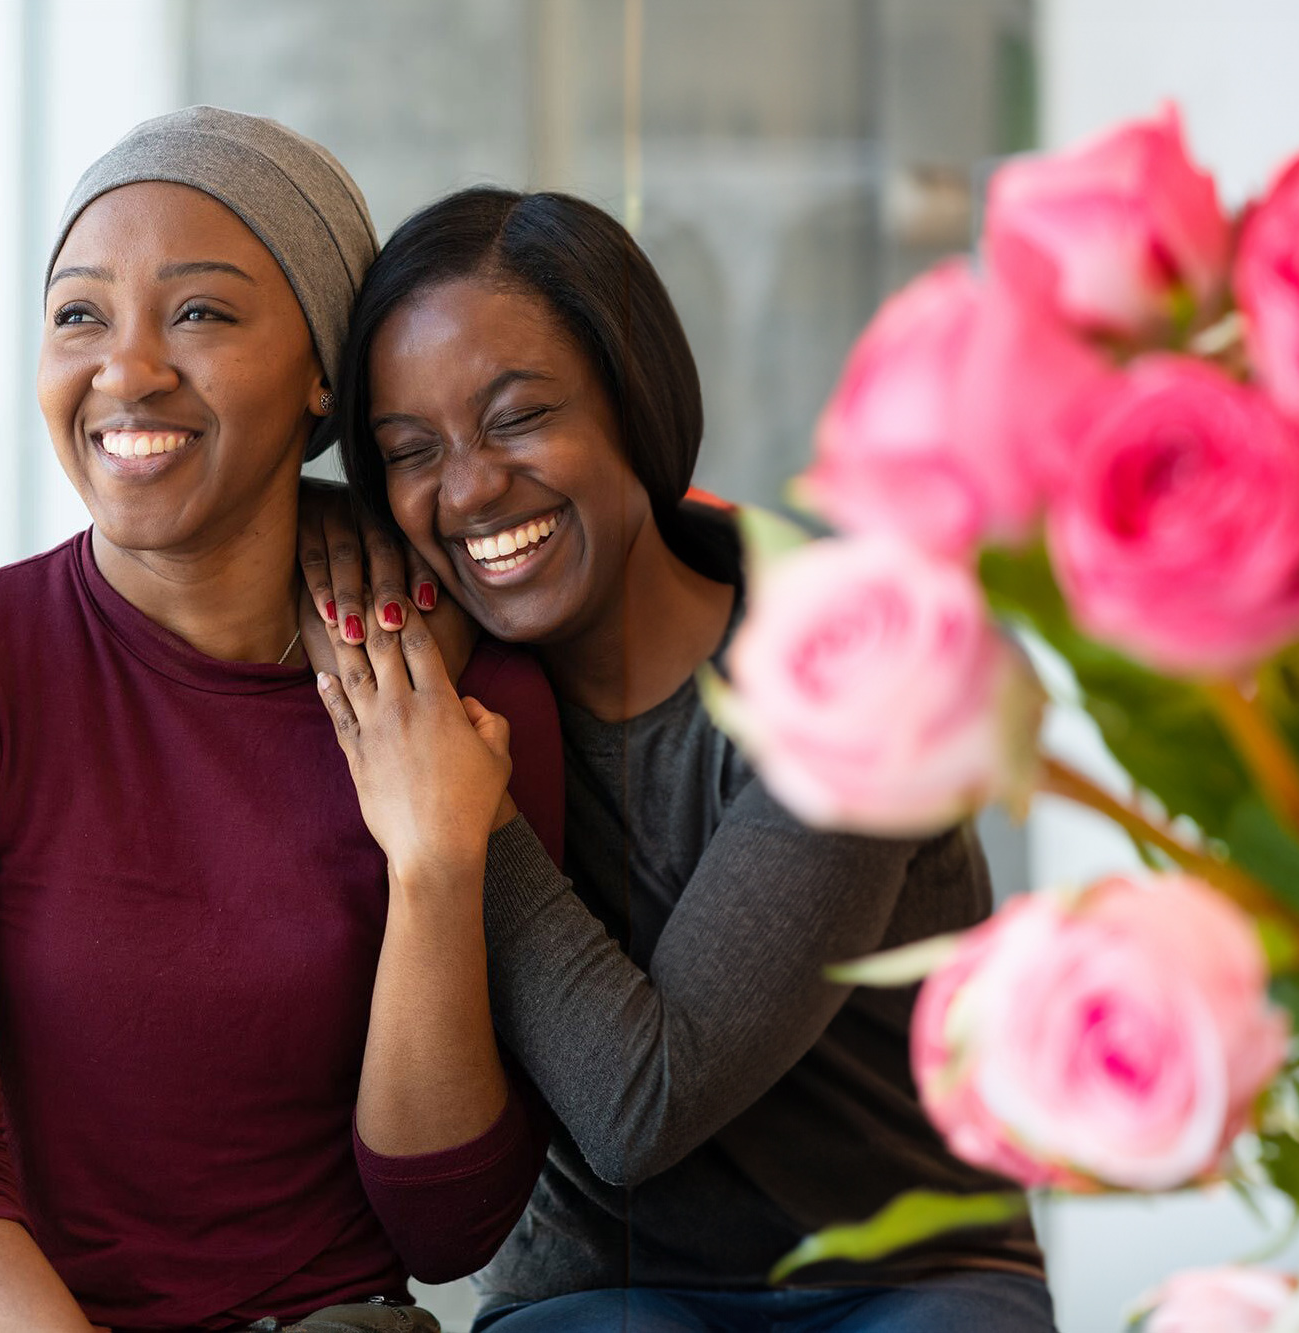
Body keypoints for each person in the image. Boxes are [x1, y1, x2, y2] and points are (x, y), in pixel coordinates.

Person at [0, 112, 562, 1333]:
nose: (126, 370)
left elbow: (443, 1228)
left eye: (200, 314)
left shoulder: (467, 705)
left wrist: (434, 863)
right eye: (78, 315)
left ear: (322, 370)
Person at [306, 186, 1056, 1333]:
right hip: (594, 1288)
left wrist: (458, 815)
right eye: (411, 452)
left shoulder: (836, 661)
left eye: (515, 418)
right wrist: (311, 530)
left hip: (902, 1274)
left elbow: (640, 1107)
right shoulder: (437, 665)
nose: (465, 488)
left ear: (632, 401)